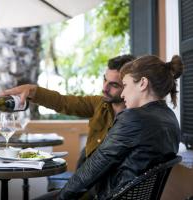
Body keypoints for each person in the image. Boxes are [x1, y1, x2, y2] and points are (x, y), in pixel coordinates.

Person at [32, 54, 184, 200]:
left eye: (125, 85)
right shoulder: (170, 118)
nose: (123, 93)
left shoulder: (133, 118)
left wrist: (61, 197)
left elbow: (94, 167)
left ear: (143, 83)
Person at [1, 55, 136, 163]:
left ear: (129, 85)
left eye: (113, 85)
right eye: (104, 80)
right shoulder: (99, 104)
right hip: (86, 180)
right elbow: (63, 102)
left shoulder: (139, 119)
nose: (104, 88)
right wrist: (33, 91)